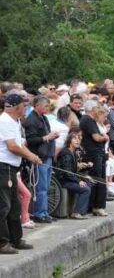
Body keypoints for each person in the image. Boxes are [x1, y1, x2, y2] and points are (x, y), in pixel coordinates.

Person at [0, 94, 41, 254]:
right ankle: (2, 242)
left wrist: (31, 155)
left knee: (15, 206)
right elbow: (12, 146)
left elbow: (18, 145)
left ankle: (15, 239)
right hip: (3, 168)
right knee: (4, 206)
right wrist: (30, 155)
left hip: (11, 168)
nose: (26, 109)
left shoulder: (14, 121)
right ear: (17, 107)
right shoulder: (4, 121)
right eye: (24, 106)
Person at [24, 95, 60, 223]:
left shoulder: (43, 117)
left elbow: (45, 135)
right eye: (45, 106)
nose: (47, 108)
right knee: (41, 187)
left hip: (47, 155)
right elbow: (31, 140)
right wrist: (47, 138)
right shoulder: (31, 120)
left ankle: (45, 212)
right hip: (39, 157)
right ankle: (40, 213)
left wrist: (52, 136)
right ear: (37, 105)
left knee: (46, 187)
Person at [79, 100, 109, 217]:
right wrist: (105, 137)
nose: (98, 109)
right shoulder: (88, 120)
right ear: (92, 109)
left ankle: (97, 205)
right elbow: (96, 137)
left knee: (99, 179)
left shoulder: (91, 120)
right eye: (97, 107)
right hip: (93, 153)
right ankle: (97, 206)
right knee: (97, 180)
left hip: (97, 153)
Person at [56, 132, 91, 219]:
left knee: (90, 184)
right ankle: (76, 213)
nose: (77, 141)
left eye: (79, 139)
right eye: (75, 138)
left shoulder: (73, 152)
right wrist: (78, 181)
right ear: (69, 141)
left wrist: (87, 166)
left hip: (69, 179)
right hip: (64, 180)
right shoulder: (66, 153)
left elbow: (74, 170)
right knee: (85, 189)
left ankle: (82, 211)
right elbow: (67, 173)